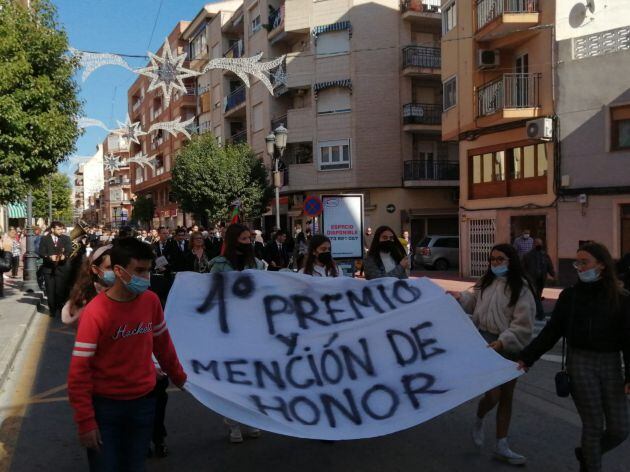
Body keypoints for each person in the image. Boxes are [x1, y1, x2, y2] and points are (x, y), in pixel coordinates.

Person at [67, 237, 187, 472]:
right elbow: (79, 371)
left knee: (134, 466)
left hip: (143, 404)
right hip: (105, 409)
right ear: (120, 271)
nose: (146, 277)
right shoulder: (95, 312)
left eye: (148, 270)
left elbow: (163, 345)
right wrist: (85, 421)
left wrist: (180, 377)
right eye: (139, 271)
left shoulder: (151, 301)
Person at [518, 242, 630, 472]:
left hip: (610, 364)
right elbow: (552, 331)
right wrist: (527, 358)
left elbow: (629, 338)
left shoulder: (621, 298)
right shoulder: (570, 296)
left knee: (620, 428)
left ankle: (588, 453)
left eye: (584, 262)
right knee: (593, 425)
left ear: (601, 265)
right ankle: (591, 466)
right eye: (577, 262)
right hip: (580, 363)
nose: (579, 267)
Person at [448, 243, 535, 465]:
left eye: (500, 259)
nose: (495, 263)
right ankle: (479, 418)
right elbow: (472, 300)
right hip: (485, 342)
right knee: (493, 395)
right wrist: (460, 297)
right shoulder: (485, 282)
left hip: (509, 345)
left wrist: (504, 340)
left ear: (511, 261)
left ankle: (502, 444)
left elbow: (523, 323)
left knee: (507, 396)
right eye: (493, 259)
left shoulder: (522, 288)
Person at [208, 224, 264, 443]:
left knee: (252, 376)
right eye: (243, 238)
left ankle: (251, 419)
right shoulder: (219, 266)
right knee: (233, 376)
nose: (248, 242)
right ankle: (233, 422)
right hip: (227, 329)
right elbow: (209, 294)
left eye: (249, 238)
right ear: (233, 240)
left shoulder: (257, 264)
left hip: (252, 328)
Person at [62, 245, 113, 325]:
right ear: (95, 269)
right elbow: (67, 318)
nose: (115, 271)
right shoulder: (86, 294)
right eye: (109, 267)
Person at [38, 221, 73, 318]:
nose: (61, 231)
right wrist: (48, 256)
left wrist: (64, 256)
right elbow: (41, 252)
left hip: (61, 268)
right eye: (58, 229)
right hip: (48, 269)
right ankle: (52, 310)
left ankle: (60, 307)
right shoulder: (44, 239)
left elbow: (69, 250)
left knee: (60, 290)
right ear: (52, 229)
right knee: (50, 290)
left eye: (62, 229)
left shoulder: (66, 238)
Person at [522, 238, 555, 320]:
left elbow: (549, 265)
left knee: (537, 296)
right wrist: (525, 277)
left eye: (540, 244)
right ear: (533, 244)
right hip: (532, 279)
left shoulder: (545, 255)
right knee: (535, 296)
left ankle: (536, 313)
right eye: (537, 243)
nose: (538, 245)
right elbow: (522, 268)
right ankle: (540, 314)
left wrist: (552, 274)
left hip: (541, 279)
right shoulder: (528, 255)